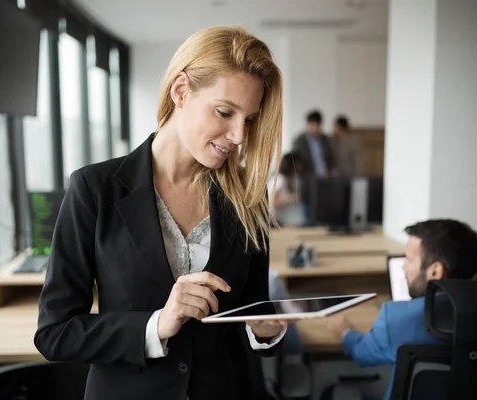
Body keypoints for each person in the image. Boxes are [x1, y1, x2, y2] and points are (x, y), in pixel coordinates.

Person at [34, 26, 289, 400]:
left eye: (249, 120)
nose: (238, 136)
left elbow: (251, 313)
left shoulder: (249, 197)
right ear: (181, 90)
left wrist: (265, 331)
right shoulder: (94, 189)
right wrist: (156, 325)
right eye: (224, 112)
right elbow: (55, 333)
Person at [324, 219, 477, 400]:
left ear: (435, 271)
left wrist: (345, 332)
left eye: (409, 259)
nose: (404, 267)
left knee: (335, 393)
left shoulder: (395, 319)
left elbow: (361, 354)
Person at [292, 110, 335, 223]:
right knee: (309, 214)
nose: (314, 128)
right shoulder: (299, 141)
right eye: (311, 125)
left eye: (317, 126)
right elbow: (296, 163)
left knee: (325, 213)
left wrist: (330, 172)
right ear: (307, 124)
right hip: (308, 181)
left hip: (325, 180)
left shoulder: (325, 139)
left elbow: (330, 158)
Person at [268, 152, 305, 226]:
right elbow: (272, 202)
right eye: (299, 164)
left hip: (274, 219)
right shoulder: (280, 179)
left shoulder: (284, 178)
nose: (301, 167)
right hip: (270, 220)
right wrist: (291, 198)